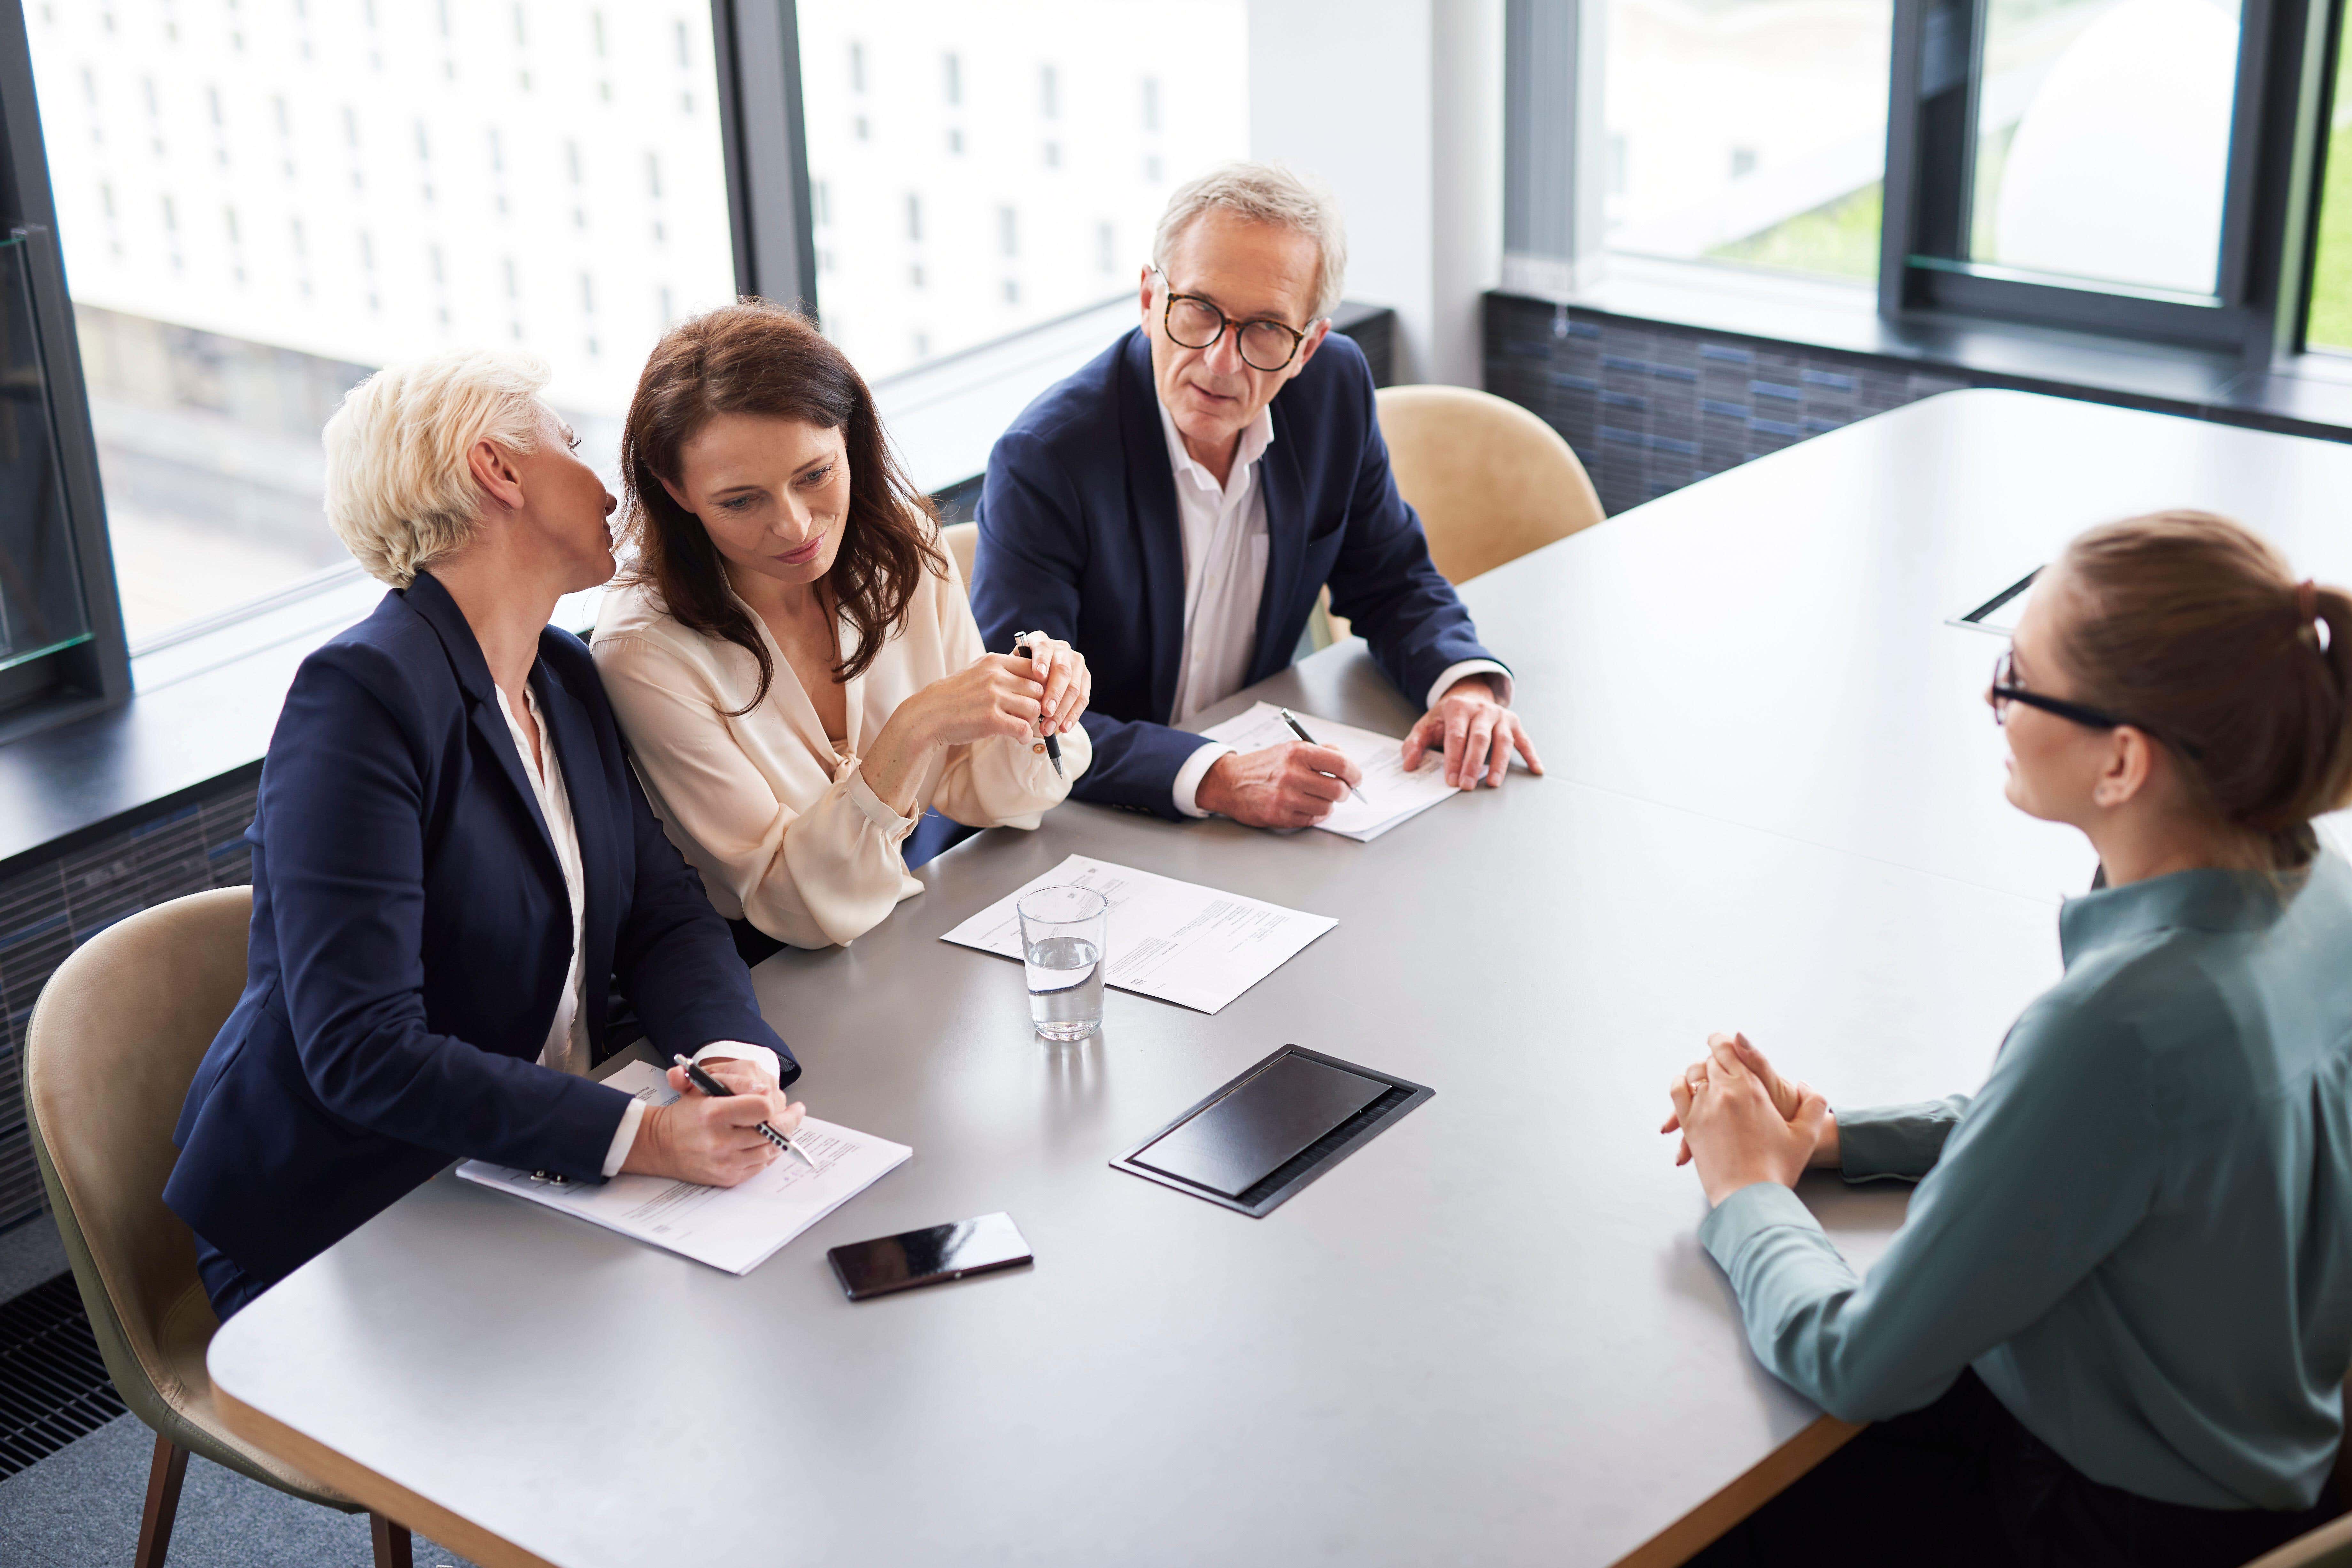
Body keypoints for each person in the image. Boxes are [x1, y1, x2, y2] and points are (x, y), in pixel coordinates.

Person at [1664, 511, 2352, 1567]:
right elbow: (2109, 1136)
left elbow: (1855, 1359)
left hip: (2108, 1517)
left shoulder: (2122, 1023)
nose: (1995, 702)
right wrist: (1842, 1133)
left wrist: (1746, 1186)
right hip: (2277, 1470)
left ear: (2123, 761)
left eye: (2018, 678)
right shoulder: (2318, 896)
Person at [165, 351, 803, 1322]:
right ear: (497, 471)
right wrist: (646, 1136)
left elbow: (661, 910)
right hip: (359, 1210)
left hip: (528, 1164)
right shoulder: (359, 698)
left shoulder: (563, 673)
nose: (607, 486)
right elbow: (363, 1049)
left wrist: (733, 1053)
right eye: (574, 449)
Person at [969, 161, 1541, 828]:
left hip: (1250, 824)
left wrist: (1464, 686)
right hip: (1081, 819)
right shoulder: (1046, 460)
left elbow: (1390, 579)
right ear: (1150, 300)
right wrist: (1216, 777)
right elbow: (1025, 718)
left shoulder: (1332, 391)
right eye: (1199, 311)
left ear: (1308, 346)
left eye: (1265, 329)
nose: (1221, 362)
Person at [592, 301, 1091, 961]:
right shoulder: (642, 652)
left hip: (914, 937)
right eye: (741, 501)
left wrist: (1030, 705)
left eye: (814, 475)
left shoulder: (904, 551)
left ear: (849, 440)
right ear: (676, 490)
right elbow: (791, 906)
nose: (796, 527)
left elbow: (983, 792)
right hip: (769, 977)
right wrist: (915, 727)